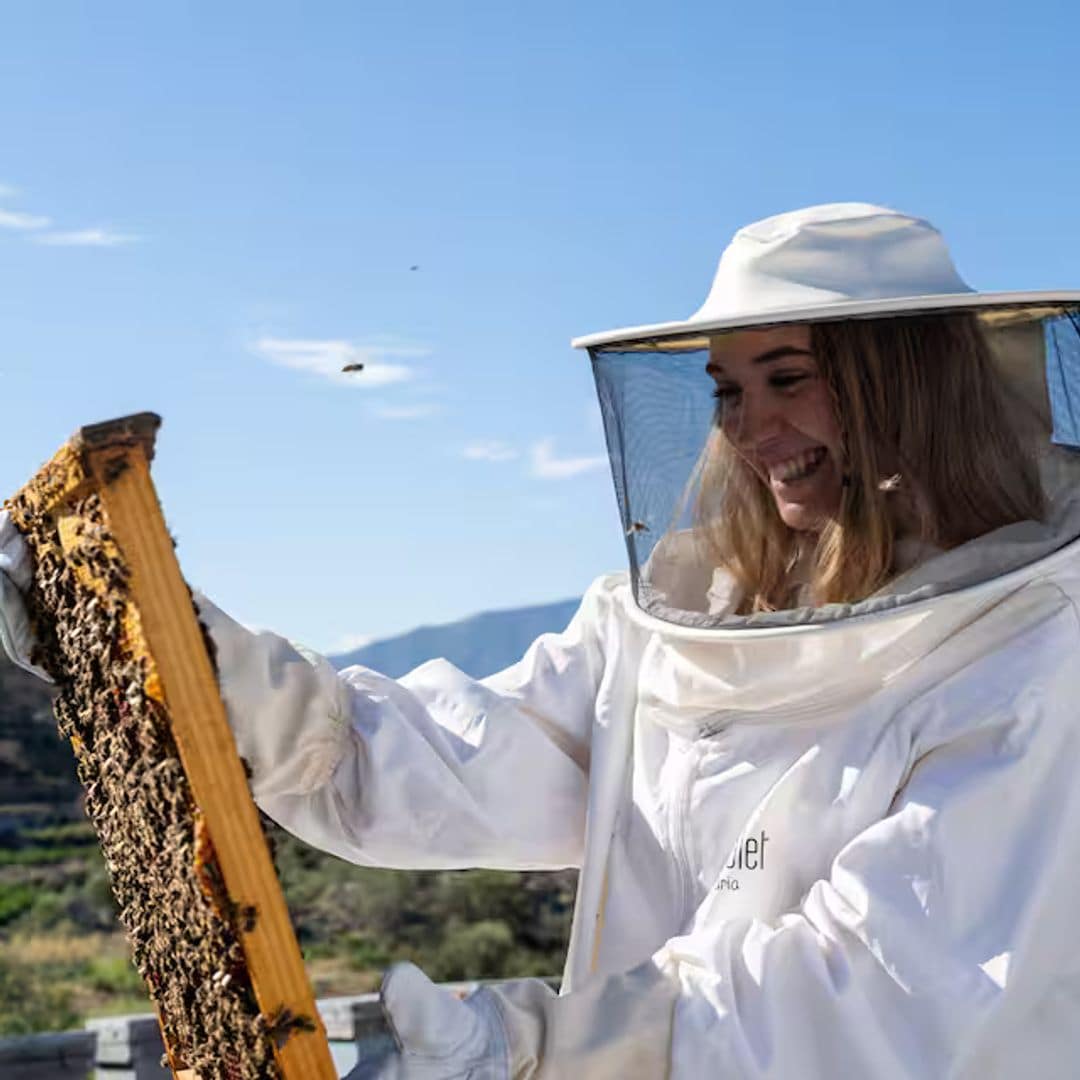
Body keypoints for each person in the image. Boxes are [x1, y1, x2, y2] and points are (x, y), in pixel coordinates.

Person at [6, 202, 1080, 1078]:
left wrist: (544, 1048)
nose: (748, 429)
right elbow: (434, 760)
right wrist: (177, 653)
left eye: (787, 378)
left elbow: (877, 993)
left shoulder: (1032, 659)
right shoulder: (677, 627)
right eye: (726, 391)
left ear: (907, 382)